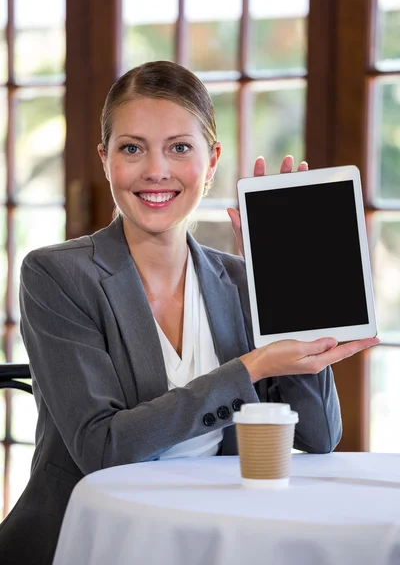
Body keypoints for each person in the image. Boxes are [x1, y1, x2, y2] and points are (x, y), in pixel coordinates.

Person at [0, 60, 379, 565]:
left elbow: (318, 436)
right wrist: (251, 368)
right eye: (131, 148)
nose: (156, 170)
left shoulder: (242, 281)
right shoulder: (57, 275)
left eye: (179, 148)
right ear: (104, 158)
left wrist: (288, 289)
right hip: (91, 539)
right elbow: (103, 449)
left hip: (212, 538)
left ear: (213, 159)